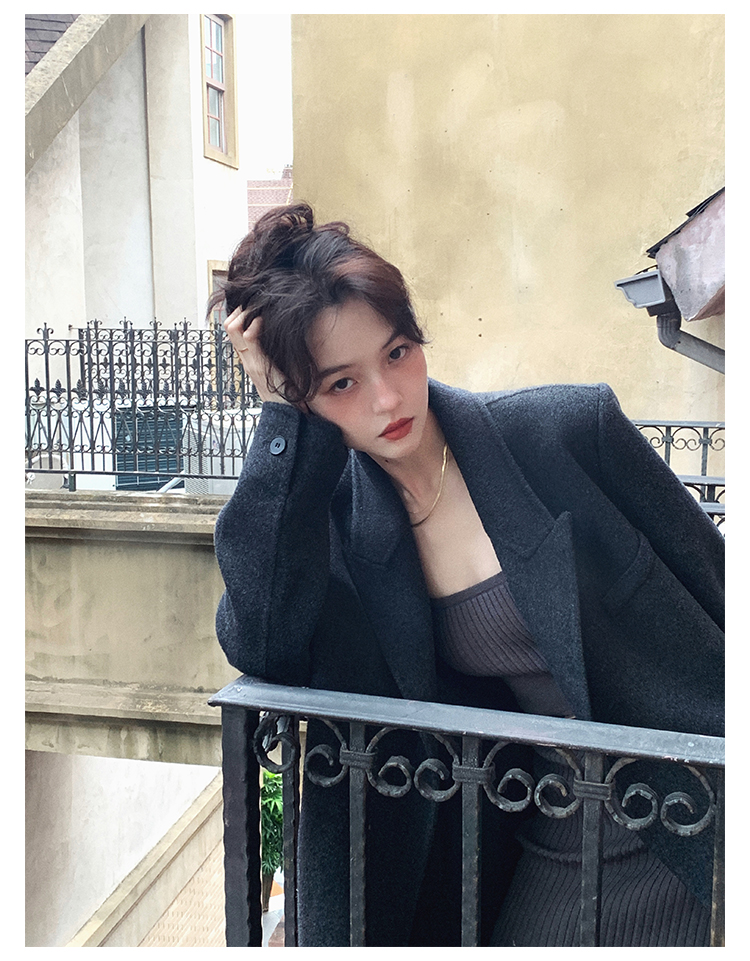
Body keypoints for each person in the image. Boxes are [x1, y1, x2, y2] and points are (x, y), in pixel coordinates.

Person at [212, 203, 724, 947]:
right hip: (549, 821)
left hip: (697, 803)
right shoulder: (337, 527)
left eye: (397, 353)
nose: (388, 398)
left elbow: (718, 587)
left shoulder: (568, 432)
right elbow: (263, 642)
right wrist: (279, 419)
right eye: (340, 384)